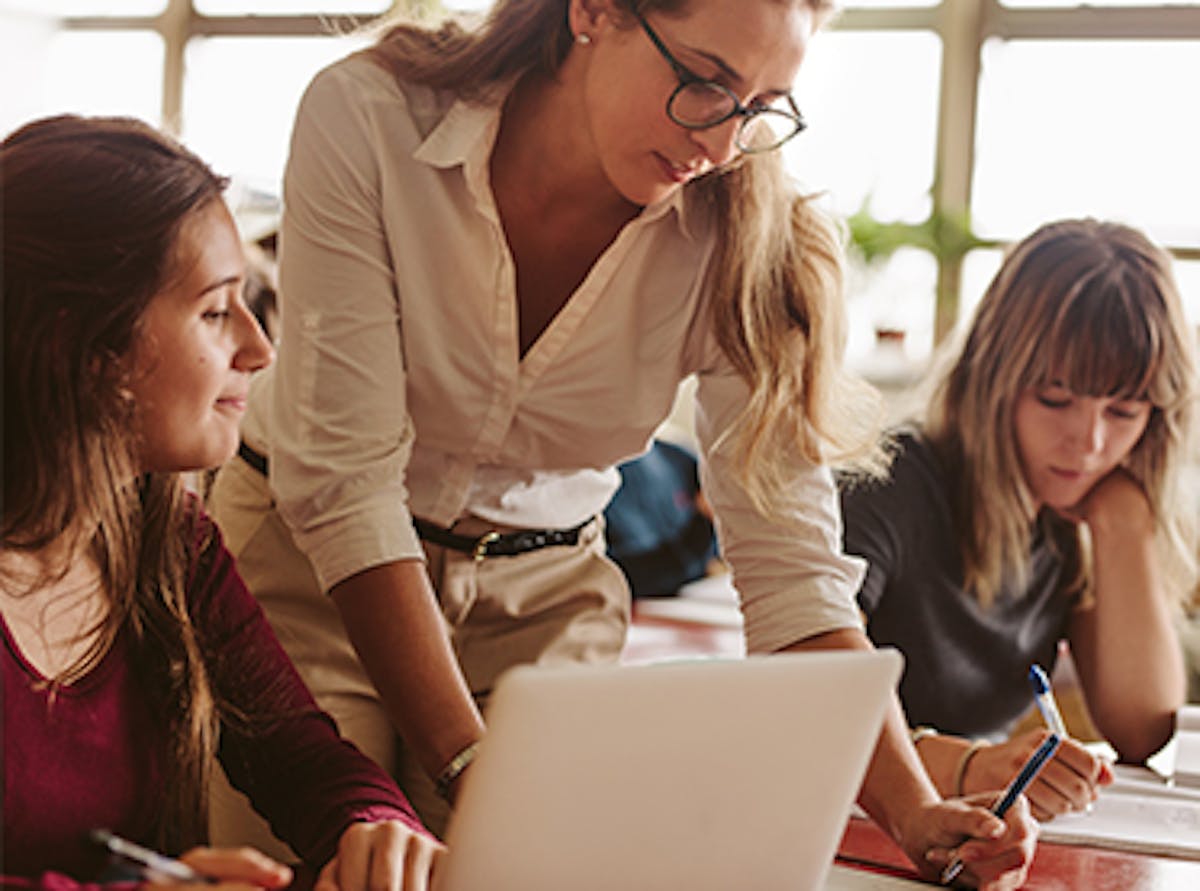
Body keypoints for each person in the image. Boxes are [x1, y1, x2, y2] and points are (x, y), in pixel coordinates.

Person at [207, 0, 1036, 884]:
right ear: (594, 10)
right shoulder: (368, 113)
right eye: (705, 82)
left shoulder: (750, 240)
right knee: (317, 861)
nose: (721, 144)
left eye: (762, 106)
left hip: (538, 598)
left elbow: (793, 573)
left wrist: (916, 812)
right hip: (314, 575)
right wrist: (464, 762)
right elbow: (347, 491)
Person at [1, 114, 442, 890]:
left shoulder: (171, 542)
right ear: (86, 348)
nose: (257, 347)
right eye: (214, 311)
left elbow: (298, 751)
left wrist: (374, 823)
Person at [840, 219, 1198, 822]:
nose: (1088, 441)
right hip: (847, 828)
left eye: (1124, 410)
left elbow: (1143, 727)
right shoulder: (886, 485)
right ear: (991, 377)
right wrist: (967, 767)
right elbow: (804, 710)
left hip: (971, 835)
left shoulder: (1068, 518)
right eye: (1054, 399)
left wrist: (1123, 525)